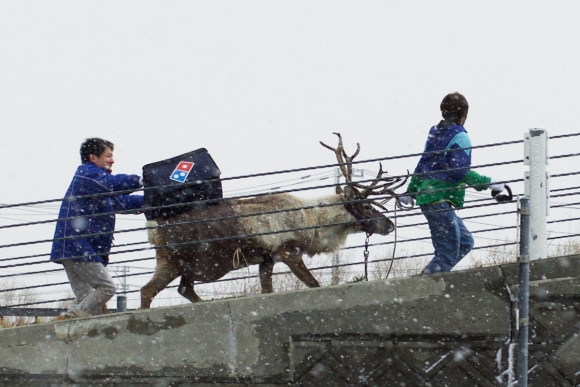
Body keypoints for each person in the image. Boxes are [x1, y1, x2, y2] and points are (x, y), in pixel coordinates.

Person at [400, 92, 505, 274]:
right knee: (447, 253)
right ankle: (425, 288)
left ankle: (429, 278)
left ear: (443, 112)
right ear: (464, 116)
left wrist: (411, 192)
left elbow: (422, 164)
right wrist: (489, 183)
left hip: (429, 199)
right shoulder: (460, 137)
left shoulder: (435, 133)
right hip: (439, 200)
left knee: (465, 243)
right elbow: (459, 171)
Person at [50, 138, 144, 319]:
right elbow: (113, 184)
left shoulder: (98, 185)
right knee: (107, 288)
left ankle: (64, 328)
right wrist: (142, 180)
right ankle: (71, 319)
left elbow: (123, 202)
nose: (112, 160)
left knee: (85, 298)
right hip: (78, 247)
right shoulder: (88, 175)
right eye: (108, 156)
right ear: (93, 157)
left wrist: (155, 199)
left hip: (71, 247)